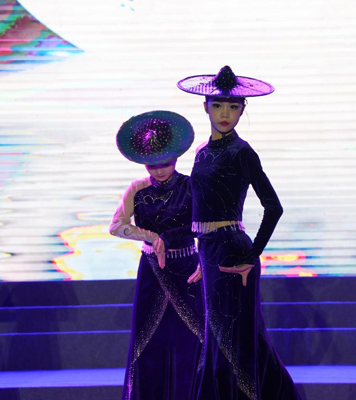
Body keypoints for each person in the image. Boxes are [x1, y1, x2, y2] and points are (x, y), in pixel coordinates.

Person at [178, 66, 301, 400]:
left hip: (233, 252)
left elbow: (273, 207)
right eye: (218, 105)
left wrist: (251, 255)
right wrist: (202, 256)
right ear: (205, 107)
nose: (225, 114)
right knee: (225, 338)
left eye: (233, 107)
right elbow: (202, 205)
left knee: (233, 340)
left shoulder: (242, 151)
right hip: (210, 251)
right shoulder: (202, 152)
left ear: (243, 110)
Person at [109, 110, 204, 400]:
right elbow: (116, 226)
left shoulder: (191, 186)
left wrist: (177, 241)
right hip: (152, 267)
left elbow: (203, 226)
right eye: (152, 165)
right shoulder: (137, 189)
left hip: (187, 266)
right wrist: (150, 236)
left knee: (191, 337)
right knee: (148, 340)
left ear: (176, 157)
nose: (160, 171)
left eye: (166, 163)